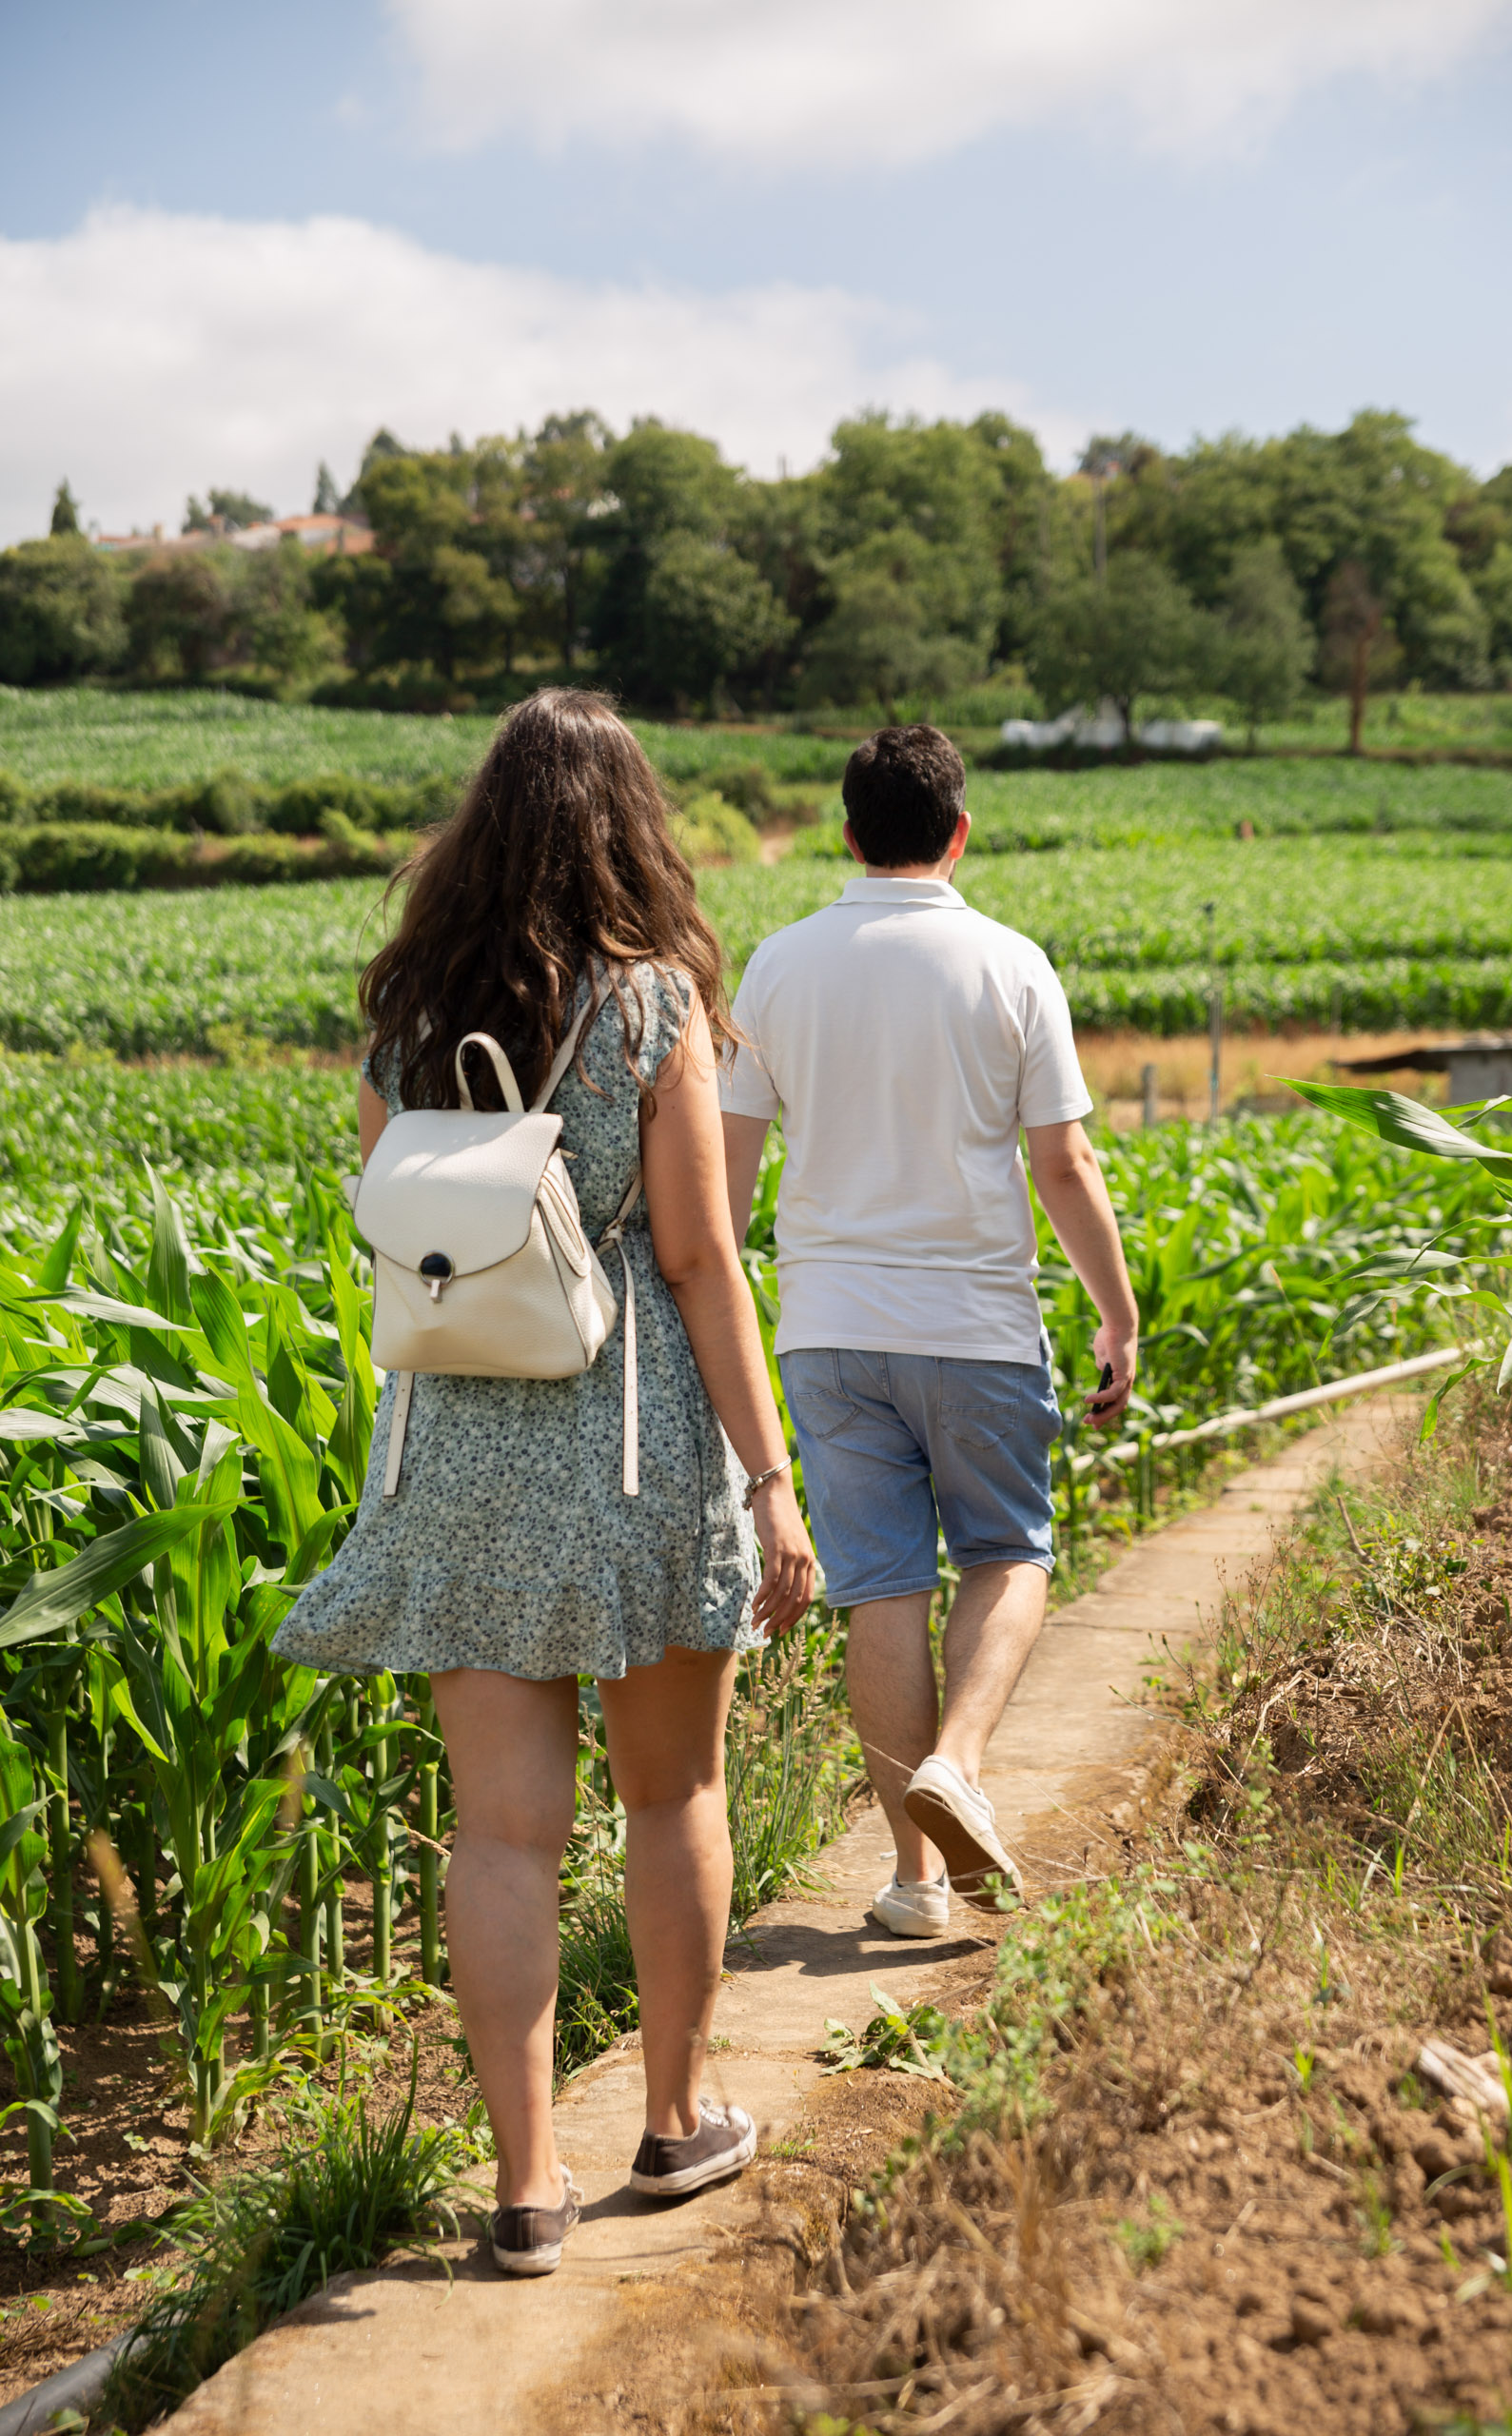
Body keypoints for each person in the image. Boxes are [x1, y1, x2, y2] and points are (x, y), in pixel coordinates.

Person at [275, 690, 815, 2277]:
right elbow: (705, 1259)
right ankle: (674, 2122)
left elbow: (400, 1223)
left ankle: (524, 2187)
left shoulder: (399, 1017)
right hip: (634, 1441)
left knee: (500, 1837)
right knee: (673, 1795)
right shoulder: (653, 1012)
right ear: (627, 826)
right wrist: (770, 1483)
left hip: (456, 1449)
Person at [718, 724, 1136, 1938]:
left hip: (828, 1332)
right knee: (1008, 1552)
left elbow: (732, 1189)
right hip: (978, 1322)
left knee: (882, 1589)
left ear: (847, 835)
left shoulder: (780, 965)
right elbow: (1063, 1159)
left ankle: (913, 1880)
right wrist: (1116, 1312)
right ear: (960, 833)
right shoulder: (1012, 964)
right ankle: (960, 1760)